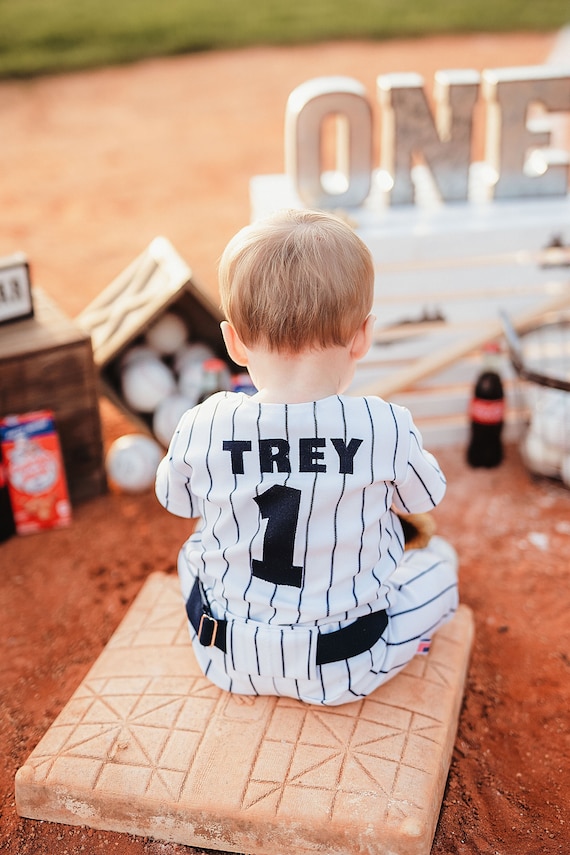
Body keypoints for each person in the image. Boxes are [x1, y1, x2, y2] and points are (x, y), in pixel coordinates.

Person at [155, 209, 459, 706]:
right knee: (441, 567)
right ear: (362, 335)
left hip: (225, 654)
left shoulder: (201, 423)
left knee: (194, 548)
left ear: (233, 342)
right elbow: (427, 495)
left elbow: (177, 501)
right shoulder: (384, 424)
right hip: (349, 662)